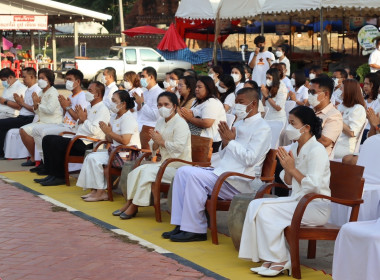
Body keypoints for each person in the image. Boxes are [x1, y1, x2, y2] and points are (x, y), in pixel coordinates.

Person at [163, 87, 272, 242]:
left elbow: (250, 159)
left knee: (194, 176)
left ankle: (196, 229)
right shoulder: (239, 124)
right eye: (236, 102)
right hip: (223, 173)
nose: (237, 106)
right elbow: (223, 155)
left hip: (238, 181)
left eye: (241, 102)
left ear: (253, 104)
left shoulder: (263, 128)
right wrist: (226, 142)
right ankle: (182, 224)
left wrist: (231, 141)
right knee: (183, 172)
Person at [239, 106, 330, 277]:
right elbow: (288, 183)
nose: (289, 127)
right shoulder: (295, 148)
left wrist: (292, 168)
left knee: (266, 210)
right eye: (289, 122)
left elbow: (314, 186)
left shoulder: (317, 150)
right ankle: (272, 257)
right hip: (298, 201)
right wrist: (288, 169)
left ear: (307, 127)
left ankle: (280, 259)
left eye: (293, 123)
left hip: (314, 205)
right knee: (256, 205)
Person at [114, 92, 191, 219]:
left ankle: (134, 206)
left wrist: (160, 141)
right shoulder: (160, 121)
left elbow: (179, 148)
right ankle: (129, 202)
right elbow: (154, 144)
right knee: (137, 170)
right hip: (164, 164)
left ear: (175, 106)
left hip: (179, 166)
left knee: (147, 172)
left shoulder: (181, 124)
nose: (162, 108)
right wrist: (155, 142)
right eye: (160, 105)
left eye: (166, 104)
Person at [33, 81, 111, 186]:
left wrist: (84, 120)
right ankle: (51, 174)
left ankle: (60, 177)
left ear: (97, 95)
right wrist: (81, 120)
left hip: (90, 143)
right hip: (79, 138)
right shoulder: (89, 107)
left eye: (90, 91)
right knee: (48, 139)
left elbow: (95, 131)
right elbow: (79, 125)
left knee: (56, 142)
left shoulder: (103, 109)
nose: (87, 93)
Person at [78, 90, 140, 202]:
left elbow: (125, 141)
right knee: (91, 157)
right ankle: (95, 190)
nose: (111, 103)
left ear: (123, 104)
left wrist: (109, 132)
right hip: (116, 151)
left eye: (114, 101)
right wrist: (107, 132)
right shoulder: (115, 117)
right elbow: (110, 139)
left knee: (95, 160)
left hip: (128, 153)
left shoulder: (128, 118)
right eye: (111, 100)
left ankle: (101, 192)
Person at [29, 69, 89, 171]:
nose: (67, 82)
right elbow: (65, 115)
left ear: (78, 82)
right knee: (36, 130)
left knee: (45, 133)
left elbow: (79, 119)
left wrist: (68, 107)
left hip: (73, 127)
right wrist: (65, 107)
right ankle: (44, 162)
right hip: (64, 124)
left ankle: (48, 165)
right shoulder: (70, 96)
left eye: (70, 79)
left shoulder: (82, 97)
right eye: (66, 80)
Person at [19, 68, 62, 166]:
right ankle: (37, 159)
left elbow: (50, 110)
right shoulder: (41, 92)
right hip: (42, 121)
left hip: (52, 122)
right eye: (39, 78)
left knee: (31, 130)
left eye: (43, 78)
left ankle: (42, 162)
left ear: (49, 80)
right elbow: (37, 111)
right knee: (23, 130)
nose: (40, 80)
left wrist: (37, 104)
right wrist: (35, 105)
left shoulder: (53, 92)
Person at [0, 68, 40, 159]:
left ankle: (1, 153)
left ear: (32, 77)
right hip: (21, 116)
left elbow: (35, 110)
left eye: (24, 77)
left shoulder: (35, 90)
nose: (23, 79)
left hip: (27, 118)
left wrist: (20, 103)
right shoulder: (28, 90)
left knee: (1, 123)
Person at [180, 76, 226, 152]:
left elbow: (207, 123)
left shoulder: (212, 102)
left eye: (199, 87)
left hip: (210, 141)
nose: (196, 89)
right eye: (196, 87)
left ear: (208, 88)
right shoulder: (197, 101)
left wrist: (190, 118)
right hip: (197, 138)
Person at [308, 76, 343, 157]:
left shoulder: (334, 115)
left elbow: (325, 141)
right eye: (309, 92)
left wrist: (304, 131)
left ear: (326, 94)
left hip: (317, 157)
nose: (310, 95)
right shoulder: (310, 110)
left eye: (313, 92)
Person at [334, 79, 366, 159]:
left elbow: (352, 133)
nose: (339, 90)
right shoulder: (341, 106)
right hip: (332, 142)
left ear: (349, 91)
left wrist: (339, 119)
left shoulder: (358, 108)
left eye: (342, 88)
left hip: (343, 147)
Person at [133, 67, 163, 131]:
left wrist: (142, 103)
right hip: (140, 125)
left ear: (151, 77)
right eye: (141, 77)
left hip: (151, 128)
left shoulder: (159, 93)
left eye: (143, 76)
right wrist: (139, 105)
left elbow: (155, 116)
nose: (141, 79)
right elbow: (141, 113)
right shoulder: (145, 92)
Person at [361, 73, 380, 143]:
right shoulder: (363, 99)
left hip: (369, 130)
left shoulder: (378, 100)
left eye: (368, 84)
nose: (365, 86)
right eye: (364, 84)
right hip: (360, 128)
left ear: (374, 85)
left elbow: (373, 118)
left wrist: (364, 107)